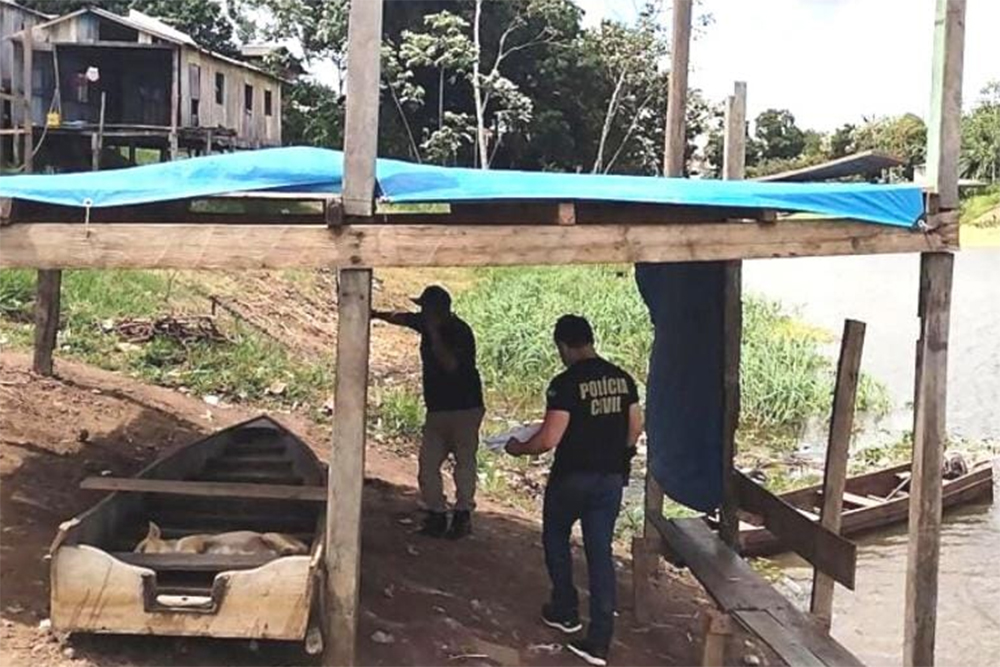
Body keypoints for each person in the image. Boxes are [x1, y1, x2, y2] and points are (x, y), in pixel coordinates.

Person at [505, 315, 642, 667]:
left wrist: (518, 448)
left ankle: (565, 610)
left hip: (572, 477)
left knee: (555, 536)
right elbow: (635, 426)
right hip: (609, 479)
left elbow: (548, 439)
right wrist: (621, 455)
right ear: (590, 340)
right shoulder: (622, 379)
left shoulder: (565, 384)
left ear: (563, 346)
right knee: (600, 553)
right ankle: (599, 641)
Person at [373, 285, 485, 539]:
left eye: (425, 309)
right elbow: (403, 318)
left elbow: (450, 365)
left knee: (464, 463)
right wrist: (376, 314)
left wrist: (434, 334)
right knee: (428, 465)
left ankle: (462, 514)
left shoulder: (459, 332)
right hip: (437, 409)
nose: (421, 313)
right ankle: (436, 513)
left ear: (438, 311)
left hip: (464, 408)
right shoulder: (426, 324)